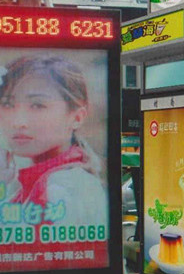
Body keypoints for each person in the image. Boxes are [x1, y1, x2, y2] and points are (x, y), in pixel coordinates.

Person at [0, 55, 106, 227]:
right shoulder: (37, 183)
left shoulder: (59, 190)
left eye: (37, 105)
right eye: (8, 104)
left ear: (77, 117)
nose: (18, 122)